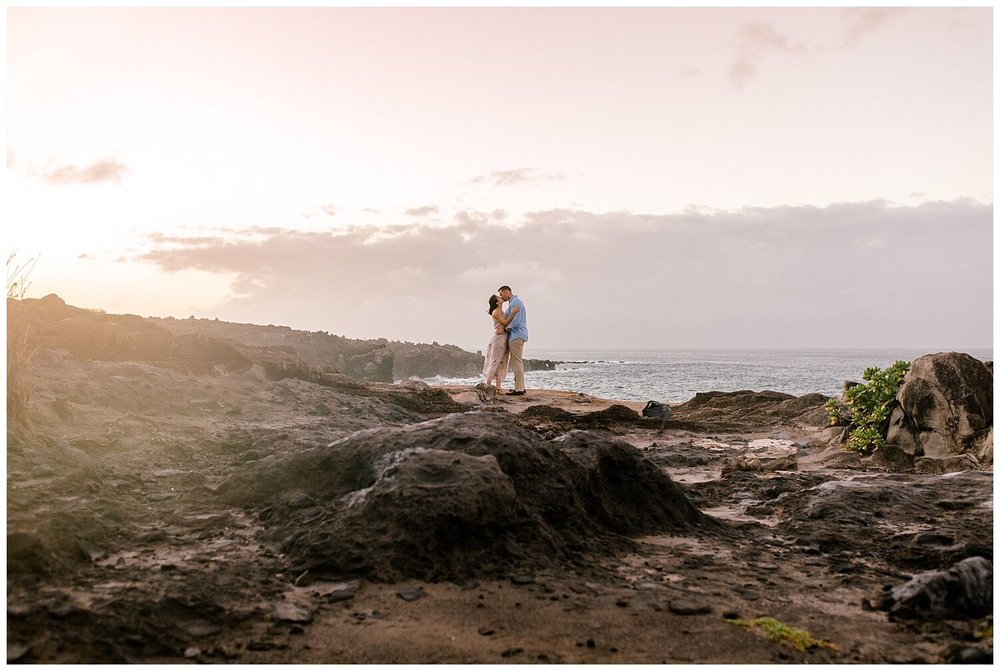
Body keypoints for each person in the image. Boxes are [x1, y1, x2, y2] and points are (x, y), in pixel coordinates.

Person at [482, 294, 520, 393]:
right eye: (498, 297)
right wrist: (513, 313)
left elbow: (504, 326)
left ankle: (498, 387)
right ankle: (488, 384)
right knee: (495, 362)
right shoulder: (497, 311)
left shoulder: (500, 310)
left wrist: (504, 329)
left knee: (502, 362)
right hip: (499, 339)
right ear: (496, 302)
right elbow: (506, 322)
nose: (500, 297)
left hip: (503, 337)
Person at [497, 285, 527, 395]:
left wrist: (504, 329)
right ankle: (520, 387)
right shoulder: (513, 302)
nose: (501, 297)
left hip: (516, 335)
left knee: (516, 362)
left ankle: (519, 389)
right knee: (517, 361)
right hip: (517, 335)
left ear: (506, 292)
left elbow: (516, 321)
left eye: (501, 294)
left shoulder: (515, 302)